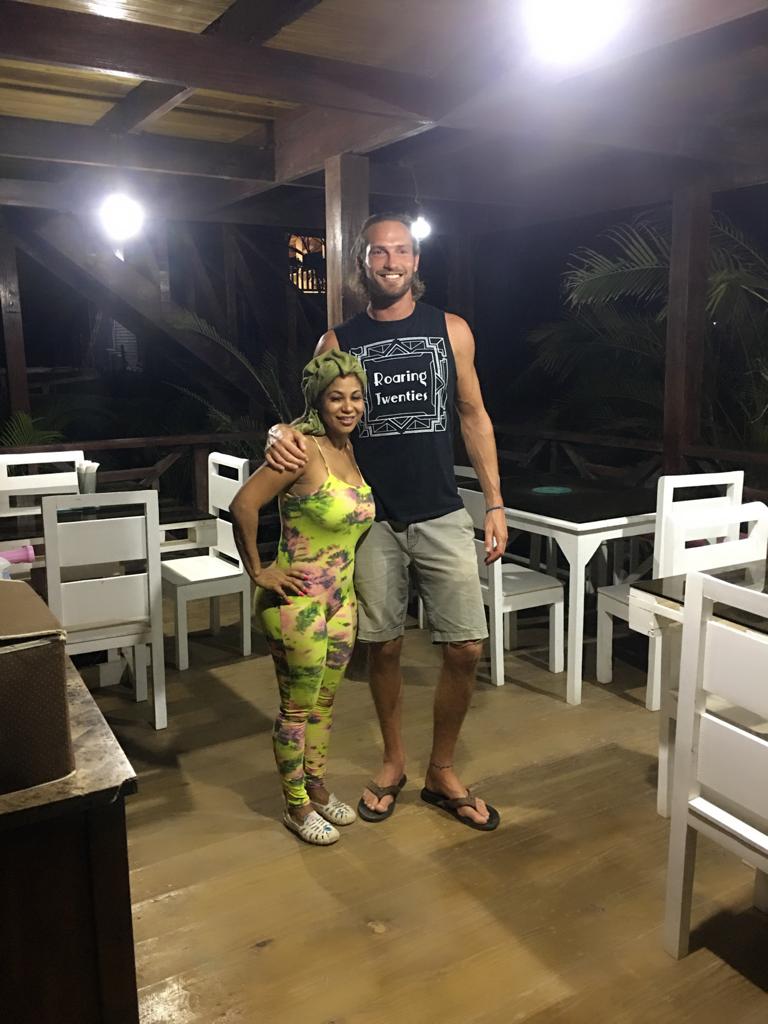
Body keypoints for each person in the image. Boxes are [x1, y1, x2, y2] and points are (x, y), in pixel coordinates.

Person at [265, 213, 508, 831]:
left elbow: (474, 416)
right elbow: (311, 425)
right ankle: (395, 761)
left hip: (442, 511)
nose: (391, 262)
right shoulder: (336, 342)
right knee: (384, 645)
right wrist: (278, 433)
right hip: (369, 523)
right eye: (379, 253)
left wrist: (496, 503)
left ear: (416, 263)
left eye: (401, 252)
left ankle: (442, 769)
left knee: (465, 646)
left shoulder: (450, 330)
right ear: (363, 263)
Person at [230, 350, 375, 846]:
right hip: (298, 605)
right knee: (296, 708)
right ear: (318, 400)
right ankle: (295, 806)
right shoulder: (300, 450)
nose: (348, 406)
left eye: (356, 397)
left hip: (341, 601)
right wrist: (258, 571)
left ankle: (316, 788)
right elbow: (244, 504)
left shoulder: (348, 451)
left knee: (325, 706)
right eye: (337, 397)